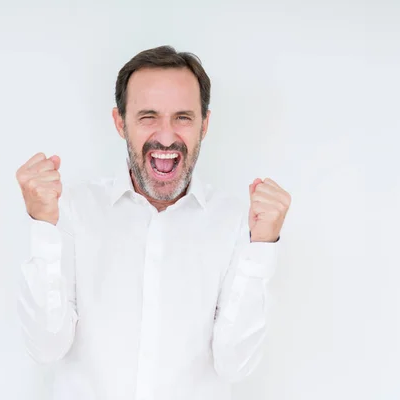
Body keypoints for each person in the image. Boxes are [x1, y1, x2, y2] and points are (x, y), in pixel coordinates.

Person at [15, 45, 291, 400]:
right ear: (120, 122)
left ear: (204, 124)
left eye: (183, 117)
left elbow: (235, 365)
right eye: (148, 116)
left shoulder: (238, 223)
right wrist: (42, 225)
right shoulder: (70, 211)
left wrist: (263, 247)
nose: (165, 135)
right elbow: (45, 346)